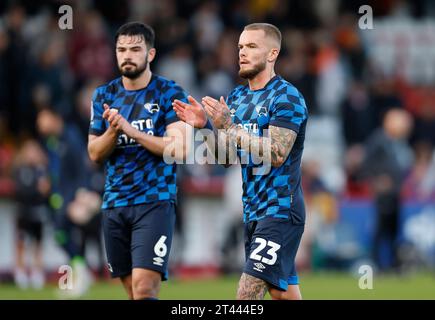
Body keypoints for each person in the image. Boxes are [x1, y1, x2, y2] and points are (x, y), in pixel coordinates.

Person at [173, 23, 308, 300]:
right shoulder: (236, 98)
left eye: (251, 47)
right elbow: (225, 158)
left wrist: (230, 127)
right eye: (240, 47)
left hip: (281, 210)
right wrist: (204, 128)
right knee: (283, 295)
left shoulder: (287, 97)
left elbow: (277, 152)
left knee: (246, 295)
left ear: (272, 54)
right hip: (253, 212)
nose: (242, 53)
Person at [87, 22, 191, 300]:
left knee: (145, 288)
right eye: (121, 49)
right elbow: (95, 153)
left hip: (154, 202)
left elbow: (178, 149)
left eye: (135, 49)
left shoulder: (170, 93)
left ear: (151, 54)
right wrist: (113, 130)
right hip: (115, 204)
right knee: (134, 292)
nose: (127, 55)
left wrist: (132, 130)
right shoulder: (104, 96)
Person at [12, 139, 50, 290]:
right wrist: (36, 190)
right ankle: (20, 272)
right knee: (21, 243)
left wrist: (44, 189)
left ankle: (37, 272)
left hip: (38, 212)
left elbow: (46, 191)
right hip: (23, 211)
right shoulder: (20, 169)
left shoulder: (41, 170)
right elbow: (20, 190)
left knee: (37, 243)